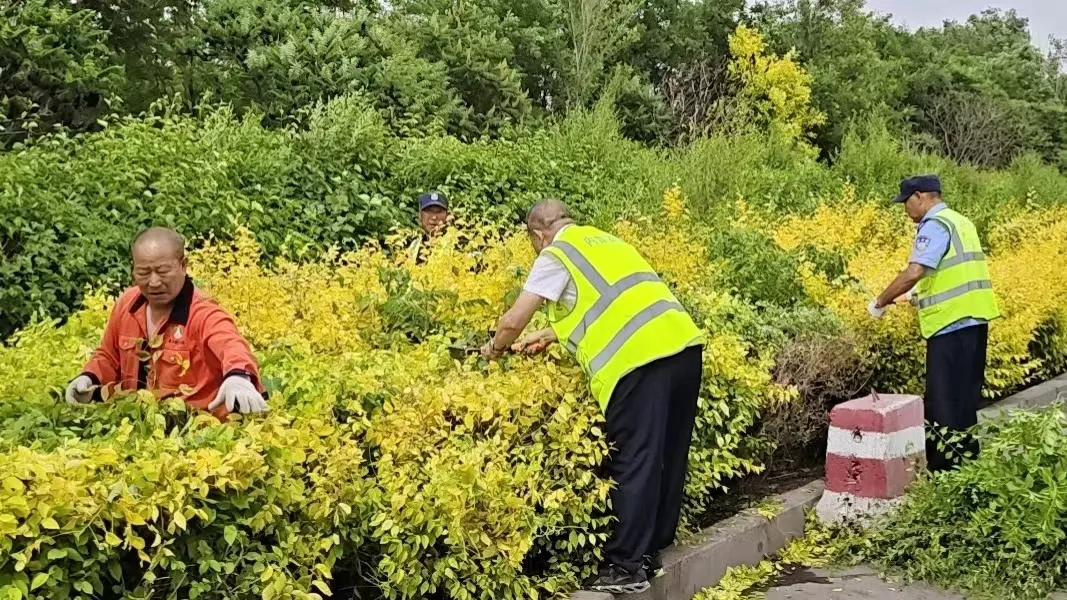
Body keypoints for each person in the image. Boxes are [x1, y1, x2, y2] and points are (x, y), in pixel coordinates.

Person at [480, 199, 705, 594]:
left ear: (538, 234)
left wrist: (494, 351)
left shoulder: (556, 252)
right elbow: (611, 301)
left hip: (639, 363)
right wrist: (550, 334)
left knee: (635, 461)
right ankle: (651, 551)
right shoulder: (603, 241)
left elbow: (512, 320)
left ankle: (626, 567)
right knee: (668, 455)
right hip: (683, 349)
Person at [65, 227, 268, 419]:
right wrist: (89, 377)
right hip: (137, 429)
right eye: (144, 273)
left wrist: (238, 377)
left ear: (183, 265)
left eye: (163, 271)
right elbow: (109, 356)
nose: (153, 282)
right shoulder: (127, 305)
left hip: (199, 434)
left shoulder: (202, 313)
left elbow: (231, 345)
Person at [869, 175, 1000, 472]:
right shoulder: (961, 222)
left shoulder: (934, 225)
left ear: (919, 197)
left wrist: (880, 301)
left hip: (950, 326)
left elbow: (915, 271)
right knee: (964, 403)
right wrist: (915, 298)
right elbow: (951, 274)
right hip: (974, 321)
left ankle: (944, 477)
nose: (905, 210)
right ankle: (968, 469)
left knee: (942, 405)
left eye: (905, 202)